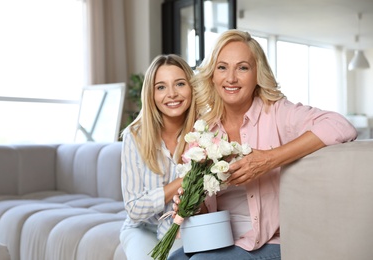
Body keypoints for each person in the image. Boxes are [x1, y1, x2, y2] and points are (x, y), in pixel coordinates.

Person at [168, 29, 357, 259]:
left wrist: (268, 160)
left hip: (268, 243)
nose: (231, 78)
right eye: (222, 67)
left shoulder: (277, 112)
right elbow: (207, 211)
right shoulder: (203, 130)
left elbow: (339, 125)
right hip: (218, 238)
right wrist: (194, 205)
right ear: (212, 75)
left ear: (257, 73)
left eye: (243, 67)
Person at [120, 54, 197, 260]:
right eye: (161, 87)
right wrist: (181, 182)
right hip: (141, 228)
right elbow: (134, 208)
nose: (172, 94)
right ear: (151, 94)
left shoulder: (204, 133)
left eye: (180, 84)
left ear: (192, 87)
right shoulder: (134, 136)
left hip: (183, 228)